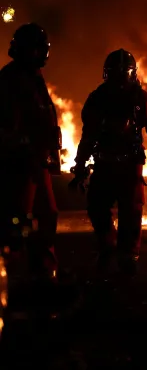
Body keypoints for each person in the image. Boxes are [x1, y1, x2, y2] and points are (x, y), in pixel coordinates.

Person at [69, 49, 147, 276]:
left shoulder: (141, 100)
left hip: (130, 165)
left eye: (122, 73)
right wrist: (81, 164)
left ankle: (128, 256)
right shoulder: (97, 99)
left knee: (131, 212)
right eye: (114, 73)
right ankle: (108, 247)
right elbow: (89, 134)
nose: (118, 79)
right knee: (96, 208)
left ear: (132, 74)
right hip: (103, 164)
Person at [0, 23, 61, 284]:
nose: (42, 54)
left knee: (47, 215)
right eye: (39, 49)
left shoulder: (34, 77)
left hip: (38, 163)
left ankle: (44, 273)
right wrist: (26, 152)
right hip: (19, 166)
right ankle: (8, 274)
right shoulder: (9, 79)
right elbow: (7, 127)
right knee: (18, 223)